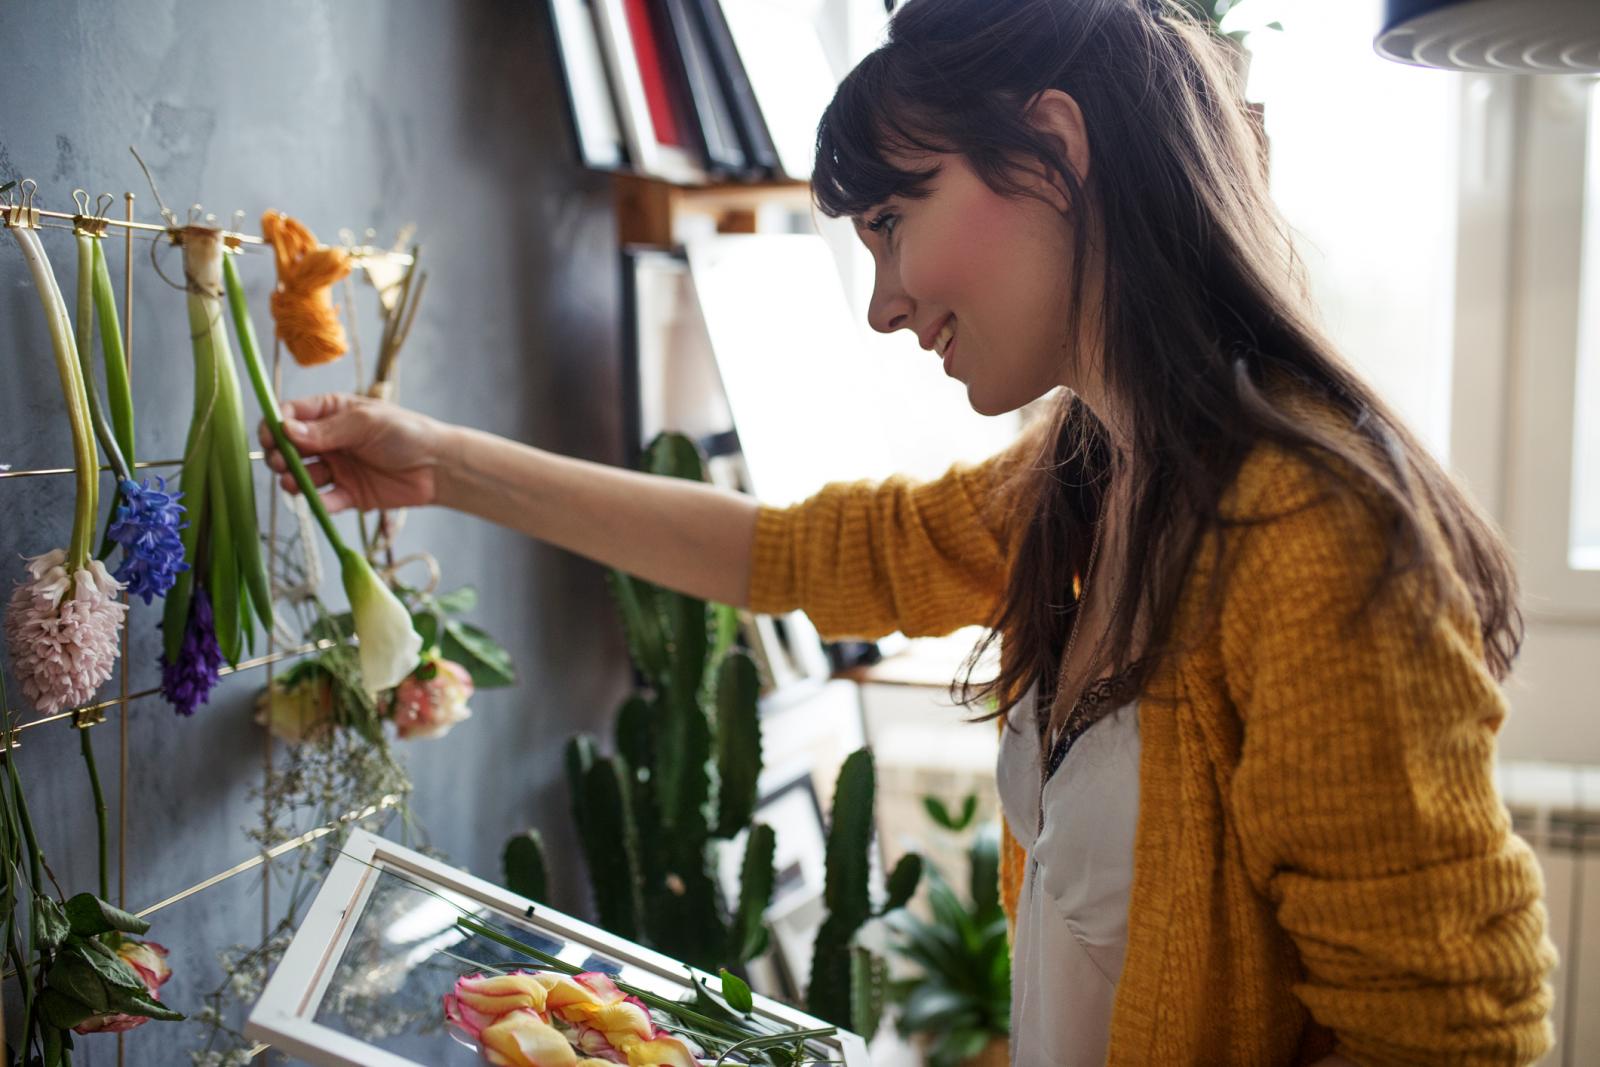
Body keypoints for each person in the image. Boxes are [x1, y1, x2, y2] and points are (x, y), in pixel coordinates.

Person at [260, 0, 1557, 1062]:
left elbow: (1452, 1034)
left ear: (1051, 151)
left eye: (894, 221)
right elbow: (799, 557)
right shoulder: (1096, 470)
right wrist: (439, 464)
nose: (884, 302)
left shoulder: (1309, 538)